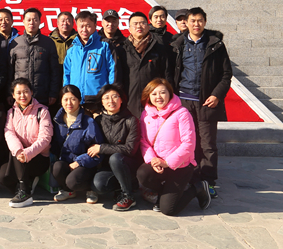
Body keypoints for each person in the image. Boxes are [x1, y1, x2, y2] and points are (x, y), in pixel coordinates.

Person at [170, 7, 232, 199]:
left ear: (205, 22)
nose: (196, 24)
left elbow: (226, 74)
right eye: (192, 20)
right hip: (183, 102)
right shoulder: (177, 44)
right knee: (186, 141)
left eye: (200, 20)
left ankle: (208, 182)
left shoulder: (215, 45)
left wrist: (216, 95)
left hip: (206, 101)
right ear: (186, 23)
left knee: (207, 144)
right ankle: (189, 177)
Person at [136, 78, 211, 216]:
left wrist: (167, 162)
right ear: (148, 96)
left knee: (169, 210)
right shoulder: (146, 114)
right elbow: (143, 141)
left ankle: (198, 188)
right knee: (143, 174)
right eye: (154, 94)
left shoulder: (182, 113)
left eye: (162, 92)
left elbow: (189, 144)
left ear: (170, 94)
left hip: (180, 166)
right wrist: (152, 160)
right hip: (158, 163)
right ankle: (164, 194)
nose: (158, 97)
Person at [0, 78, 53, 208]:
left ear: (32, 92)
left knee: (19, 156)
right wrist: (19, 151)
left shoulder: (42, 111)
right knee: (2, 177)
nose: (22, 95)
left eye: (26, 91)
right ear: (13, 95)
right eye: (18, 92)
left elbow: (45, 138)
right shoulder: (11, 113)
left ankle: (24, 192)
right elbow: (9, 133)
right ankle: (26, 184)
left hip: (38, 158)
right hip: (19, 157)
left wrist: (27, 153)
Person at [90, 83, 141, 211]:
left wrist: (102, 148)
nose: (111, 101)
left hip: (127, 164)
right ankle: (120, 188)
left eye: (114, 96)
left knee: (116, 158)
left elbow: (130, 149)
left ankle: (128, 196)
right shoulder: (98, 121)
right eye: (106, 97)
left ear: (121, 99)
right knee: (99, 185)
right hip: (108, 167)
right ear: (102, 102)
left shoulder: (131, 120)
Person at [51, 85, 103, 204]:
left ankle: (91, 189)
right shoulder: (58, 121)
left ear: (79, 101)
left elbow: (98, 152)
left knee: (73, 181)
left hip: (86, 164)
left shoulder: (89, 122)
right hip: (67, 162)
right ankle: (68, 191)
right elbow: (55, 145)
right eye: (65, 99)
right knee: (57, 167)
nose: (69, 103)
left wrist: (79, 162)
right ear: (61, 101)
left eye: (73, 99)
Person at [63, 11, 115, 114]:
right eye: (81, 26)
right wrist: (67, 95)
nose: (84, 30)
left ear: (95, 25)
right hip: (76, 101)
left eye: (88, 26)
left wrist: (110, 95)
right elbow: (67, 74)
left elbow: (113, 71)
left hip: (99, 100)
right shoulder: (72, 49)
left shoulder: (104, 45)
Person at [121, 12, 172, 118]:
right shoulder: (122, 49)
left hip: (154, 99)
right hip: (130, 100)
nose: (139, 26)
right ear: (129, 29)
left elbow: (166, 74)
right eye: (135, 24)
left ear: (148, 27)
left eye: (142, 23)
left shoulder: (158, 48)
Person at [8, 8, 60, 106]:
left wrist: (53, 93)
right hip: (21, 96)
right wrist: (9, 93)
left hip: (42, 94)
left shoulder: (48, 43)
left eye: (35, 19)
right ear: (23, 22)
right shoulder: (15, 43)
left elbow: (54, 71)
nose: (32, 22)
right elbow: (10, 71)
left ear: (40, 22)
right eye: (28, 20)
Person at [49, 11, 78, 105]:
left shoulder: (79, 40)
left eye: (68, 20)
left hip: (73, 80)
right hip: (53, 81)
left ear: (73, 23)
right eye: (63, 20)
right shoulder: (49, 40)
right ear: (57, 23)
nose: (65, 23)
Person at [97, 9, 126, 84]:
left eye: (114, 21)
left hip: (119, 83)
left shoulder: (125, 43)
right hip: (99, 83)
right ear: (102, 23)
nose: (110, 24)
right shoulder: (95, 42)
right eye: (108, 21)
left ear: (118, 23)